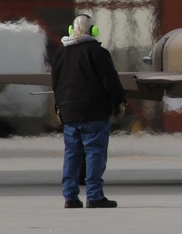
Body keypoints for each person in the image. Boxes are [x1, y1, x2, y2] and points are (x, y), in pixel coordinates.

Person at [52, 14, 127, 209]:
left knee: (72, 154)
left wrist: (59, 107)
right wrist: (119, 102)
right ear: (93, 30)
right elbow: (110, 81)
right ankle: (94, 196)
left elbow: (56, 84)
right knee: (94, 153)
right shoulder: (97, 52)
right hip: (94, 112)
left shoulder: (60, 54)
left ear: (71, 29)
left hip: (69, 112)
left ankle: (70, 197)